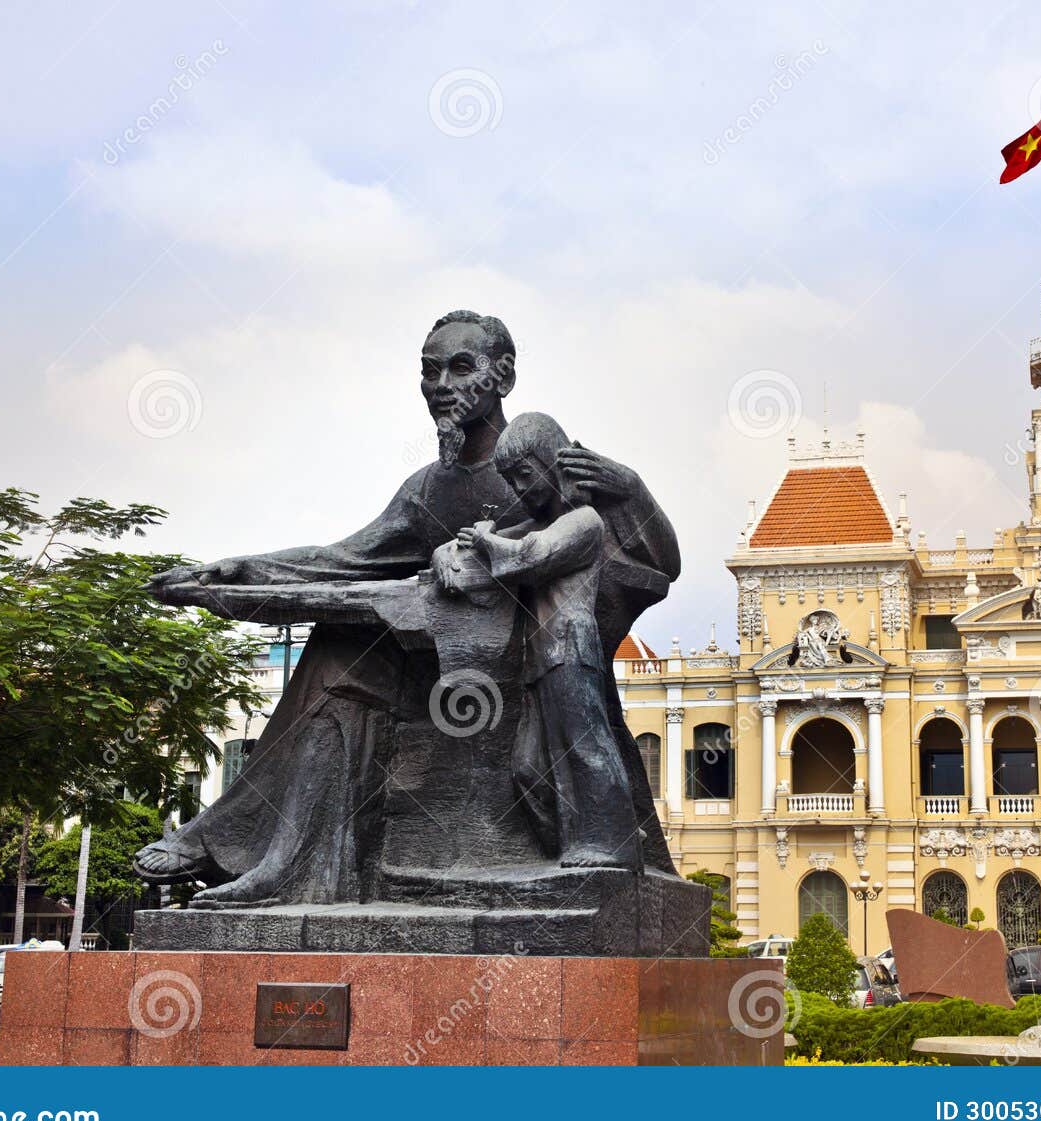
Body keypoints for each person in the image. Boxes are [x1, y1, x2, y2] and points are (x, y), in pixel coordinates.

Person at [134, 312, 681, 904]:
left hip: (527, 669)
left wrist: (631, 488)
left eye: (460, 367)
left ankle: (585, 850)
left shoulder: (547, 458)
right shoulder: (428, 488)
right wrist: (240, 569)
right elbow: (345, 557)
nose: (441, 384)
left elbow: (653, 560)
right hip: (432, 663)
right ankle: (284, 864)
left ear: (503, 376)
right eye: (429, 371)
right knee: (336, 650)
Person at [451, 413, 640, 870]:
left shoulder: (584, 522)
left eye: (524, 476)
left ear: (552, 464)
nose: (519, 490)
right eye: (512, 481)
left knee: (586, 747)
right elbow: (477, 547)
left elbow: (530, 557)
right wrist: (459, 548)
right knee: (528, 767)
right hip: (539, 658)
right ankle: (573, 842)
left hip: (571, 649)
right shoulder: (540, 524)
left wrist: (483, 539)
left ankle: (612, 845)